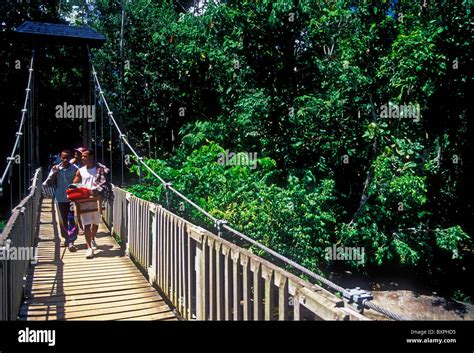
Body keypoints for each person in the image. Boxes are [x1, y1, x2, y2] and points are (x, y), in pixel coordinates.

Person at [73, 148, 111, 259]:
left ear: (91, 157)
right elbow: (74, 184)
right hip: (84, 200)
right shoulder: (80, 170)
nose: (82, 158)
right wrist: (73, 189)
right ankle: (89, 248)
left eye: (85, 156)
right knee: (87, 225)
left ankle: (93, 239)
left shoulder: (100, 170)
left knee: (95, 223)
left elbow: (105, 184)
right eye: (82, 156)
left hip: (97, 200)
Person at [43, 150, 79, 252]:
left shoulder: (75, 169)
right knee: (62, 221)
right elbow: (49, 183)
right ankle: (66, 238)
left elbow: (80, 182)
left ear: (70, 157)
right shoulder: (56, 169)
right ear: (60, 157)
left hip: (72, 199)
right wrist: (54, 173)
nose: (65, 160)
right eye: (63, 157)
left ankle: (71, 241)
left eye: (67, 157)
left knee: (72, 219)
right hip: (59, 198)